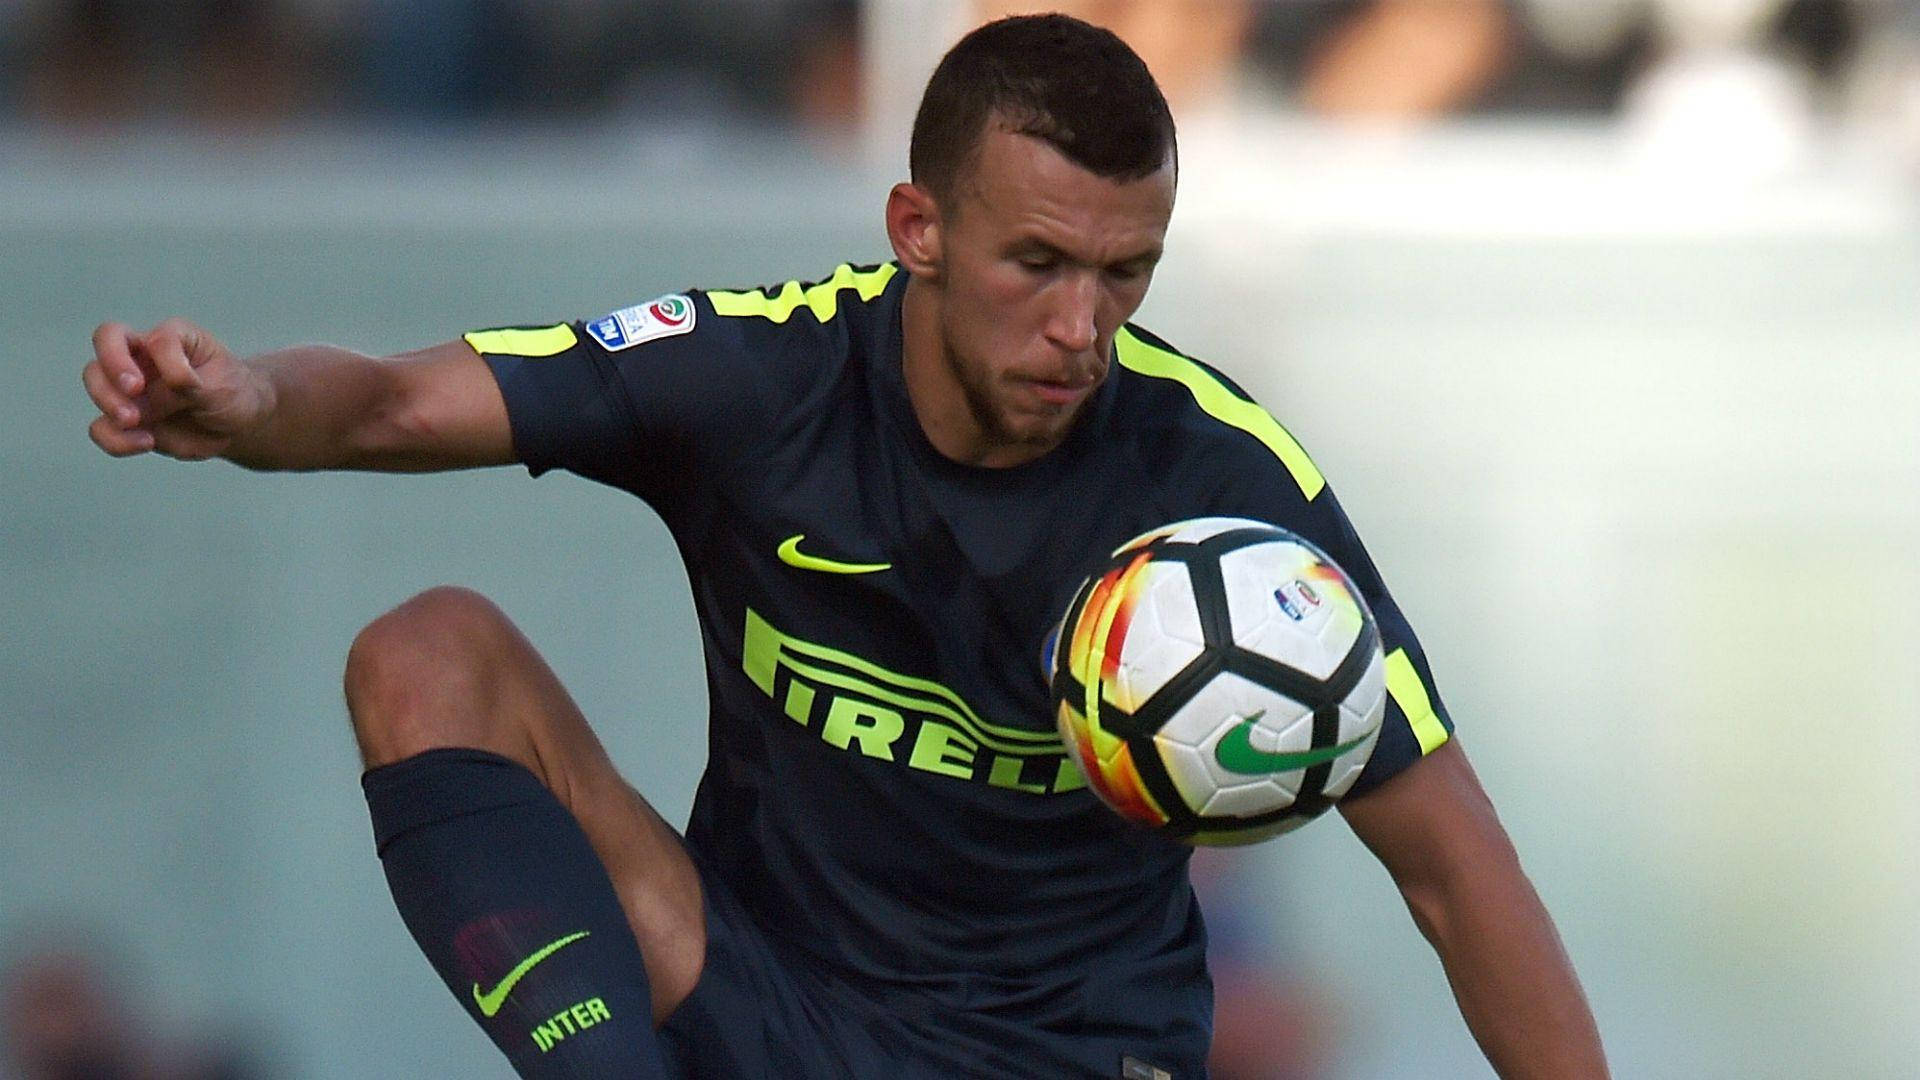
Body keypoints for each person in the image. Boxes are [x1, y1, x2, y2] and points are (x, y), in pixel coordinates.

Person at [80, 14, 1608, 1080]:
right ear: (918, 227)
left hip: (1064, 1054)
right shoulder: (762, 375)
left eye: (1124, 274)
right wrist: (249, 394)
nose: (1084, 326)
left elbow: (1457, 874)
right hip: (758, 998)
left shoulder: (1220, 485)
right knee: (428, 653)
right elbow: (402, 405)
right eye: (1039, 262)